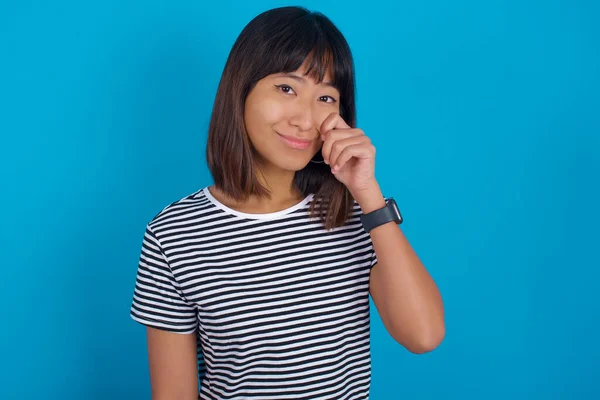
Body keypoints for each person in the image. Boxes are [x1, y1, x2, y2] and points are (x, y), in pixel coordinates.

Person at [130, 6, 445, 399]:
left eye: (326, 97)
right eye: (287, 88)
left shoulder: (353, 217)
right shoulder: (172, 234)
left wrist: (368, 193)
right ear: (241, 89)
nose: (306, 119)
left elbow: (424, 335)